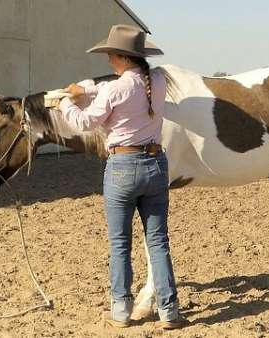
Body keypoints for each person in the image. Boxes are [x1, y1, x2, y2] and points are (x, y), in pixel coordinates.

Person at [58, 24, 185, 330]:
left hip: (122, 167)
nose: (108, 61)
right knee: (157, 242)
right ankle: (169, 310)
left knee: (120, 243)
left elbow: (86, 123)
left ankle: (120, 309)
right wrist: (87, 88)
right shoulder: (156, 79)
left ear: (122, 57)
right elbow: (113, 87)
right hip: (155, 163)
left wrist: (65, 103)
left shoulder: (116, 89)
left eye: (111, 55)